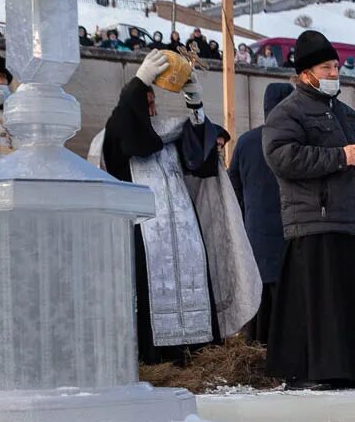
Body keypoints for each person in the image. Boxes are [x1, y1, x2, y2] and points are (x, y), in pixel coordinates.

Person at [99, 49, 259, 362]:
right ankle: (157, 361)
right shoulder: (117, 137)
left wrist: (195, 105)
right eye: (143, 103)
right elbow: (127, 132)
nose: (150, 107)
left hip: (186, 239)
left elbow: (201, 161)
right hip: (146, 237)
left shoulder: (171, 136)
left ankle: (197, 354)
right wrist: (139, 83)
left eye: (151, 100)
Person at [261, 29, 355, 389]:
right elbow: (281, 156)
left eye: (336, 66)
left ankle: (352, 368)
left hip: (349, 220)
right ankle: (312, 371)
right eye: (327, 68)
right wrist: (339, 157)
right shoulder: (288, 111)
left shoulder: (345, 113)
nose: (335, 73)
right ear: (305, 74)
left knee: (351, 301)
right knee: (319, 304)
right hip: (313, 221)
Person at [229, 82, 291, 344]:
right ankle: (286, 349)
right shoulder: (293, 139)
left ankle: (255, 347)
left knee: (258, 292)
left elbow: (233, 187)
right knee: (288, 293)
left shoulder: (246, 142)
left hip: (255, 231)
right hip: (291, 228)